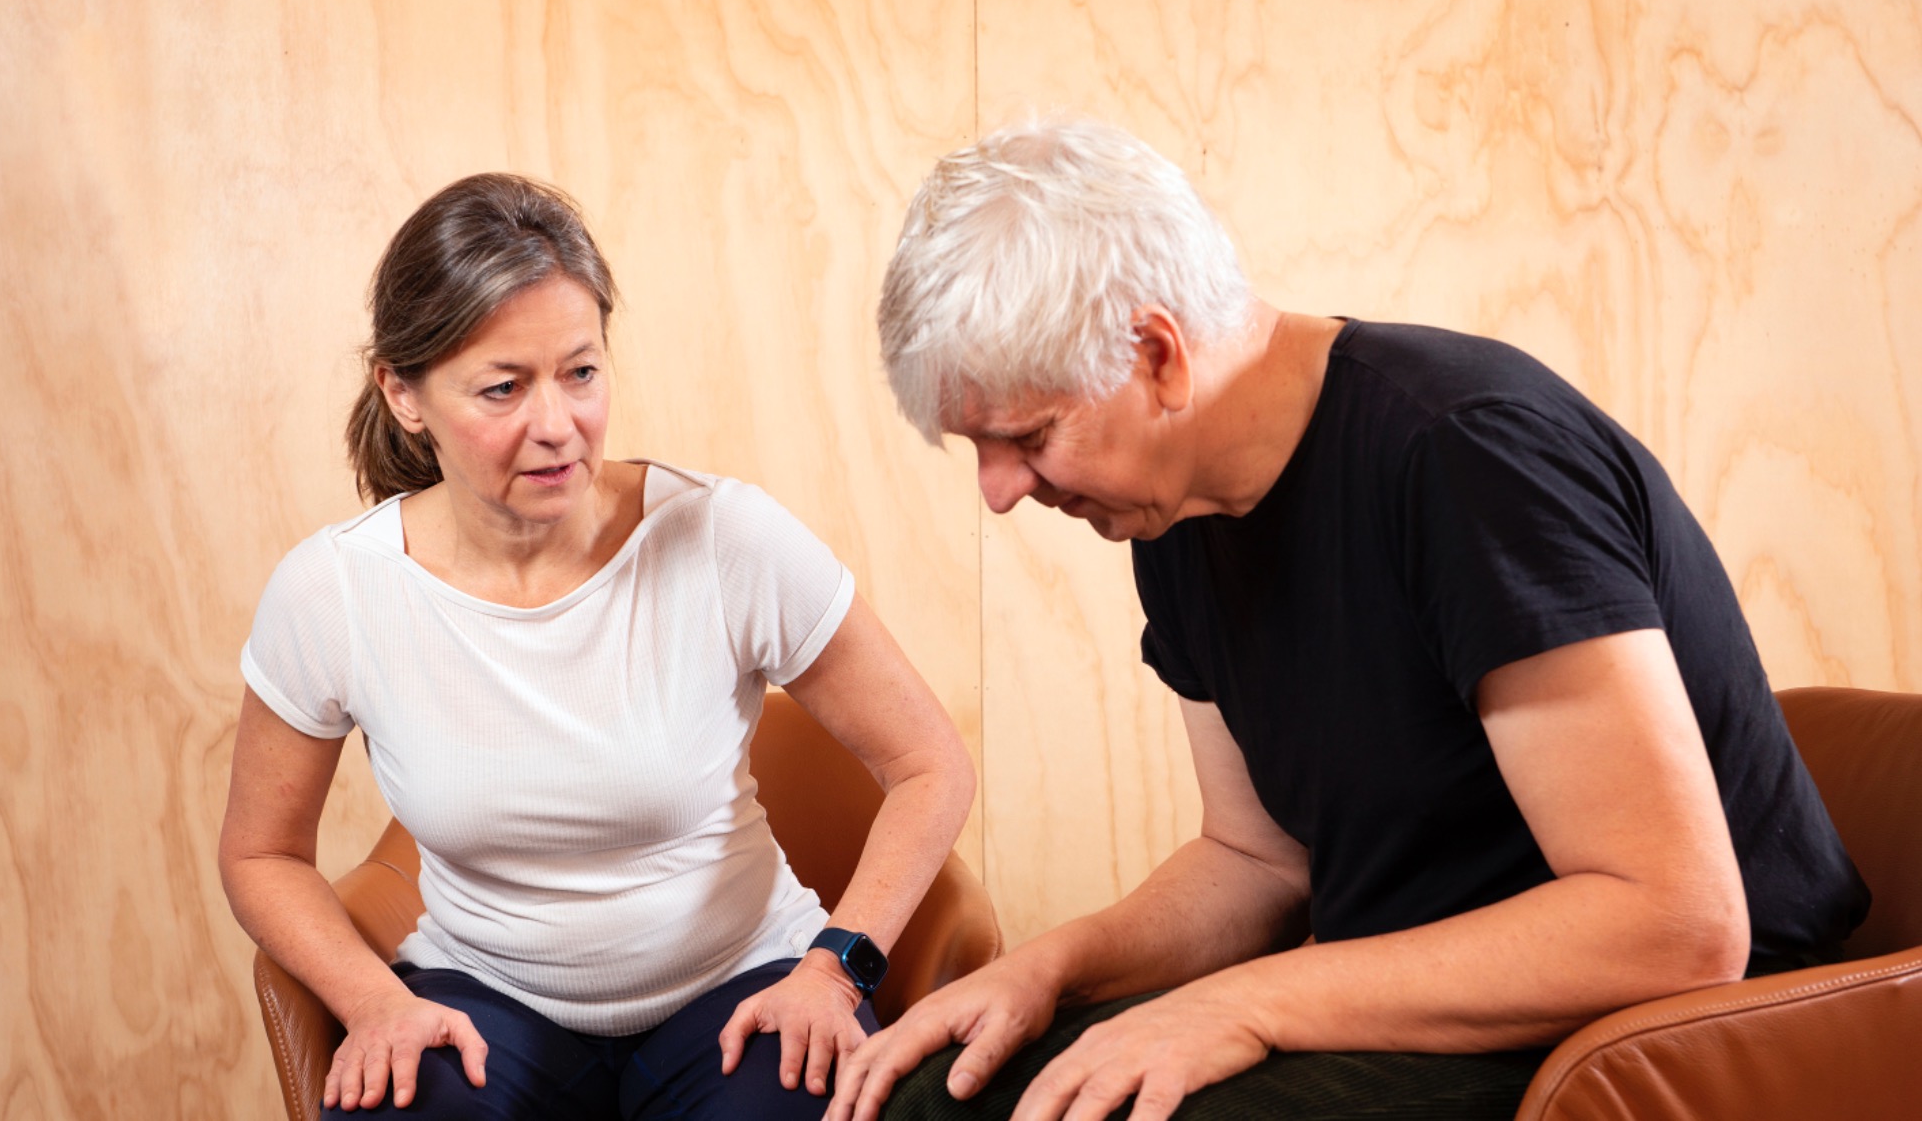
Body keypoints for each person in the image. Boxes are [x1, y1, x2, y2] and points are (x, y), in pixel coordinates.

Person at [824, 119, 1870, 1121]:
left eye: (1027, 437)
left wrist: (1245, 1004)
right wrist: (1049, 969)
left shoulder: (1469, 456)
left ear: (1156, 353)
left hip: (1660, 1031)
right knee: (941, 1100)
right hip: (1411, 1006)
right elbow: (1259, 862)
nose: (1000, 493)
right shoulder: (1172, 515)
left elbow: (1674, 927)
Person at [217, 173, 975, 1121]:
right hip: (486, 1005)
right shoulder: (333, 592)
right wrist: (374, 1003)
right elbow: (261, 854)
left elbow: (929, 764)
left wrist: (837, 967)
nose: (557, 425)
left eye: (580, 372)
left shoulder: (724, 537)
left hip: (739, 985)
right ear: (402, 394)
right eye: (503, 388)